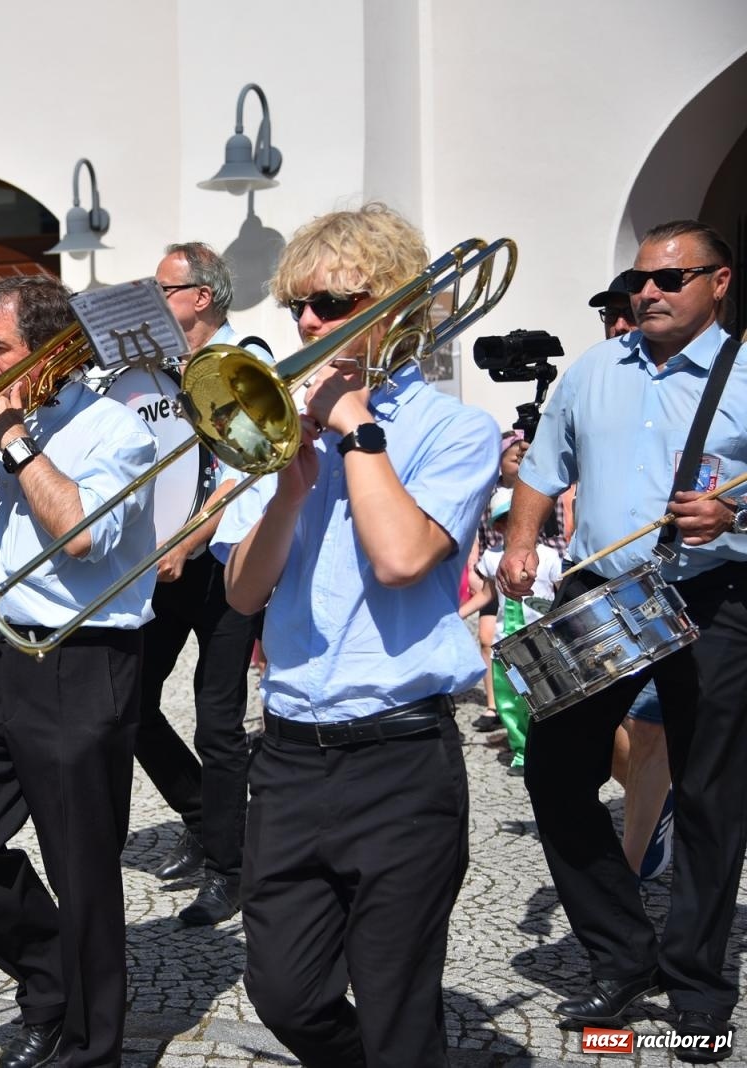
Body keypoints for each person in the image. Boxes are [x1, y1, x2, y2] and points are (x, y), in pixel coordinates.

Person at [224, 203, 498, 1067]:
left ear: (399, 311)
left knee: (395, 1001)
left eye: (331, 305)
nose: (307, 322)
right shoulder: (272, 429)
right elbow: (240, 596)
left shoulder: (456, 430)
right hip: (293, 756)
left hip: (400, 760)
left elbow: (404, 557)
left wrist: (358, 431)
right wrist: (291, 491)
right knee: (284, 992)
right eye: (298, 305)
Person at [501, 220, 742, 1059]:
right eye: (639, 280)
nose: (649, 292)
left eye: (672, 280)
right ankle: (622, 952)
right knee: (555, 770)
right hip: (605, 593)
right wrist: (524, 541)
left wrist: (734, 514)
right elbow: (542, 466)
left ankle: (699, 983)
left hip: (717, 598)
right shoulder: (594, 371)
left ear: (719, 283)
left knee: (711, 796)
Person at [0, 274, 157, 1068]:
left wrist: (16, 442)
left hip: (79, 661)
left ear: (51, 351)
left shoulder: (112, 432)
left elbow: (81, 535)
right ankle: (50, 980)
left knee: (80, 865)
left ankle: (92, 1047)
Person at [130, 242, 269, 930]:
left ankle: (230, 870)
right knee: (128, 699)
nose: (153, 299)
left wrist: (189, 541)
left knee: (217, 718)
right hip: (169, 554)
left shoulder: (247, 360)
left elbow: (245, 470)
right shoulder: (158, 372)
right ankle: (204, 817)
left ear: (201, 296)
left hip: (227, 559)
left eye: (163, 289)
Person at [590, 274, 674, 882]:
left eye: (626, 312)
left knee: (646, 727)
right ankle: (663, 793)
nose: (619, 323)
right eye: (609, 316)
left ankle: (634, 863)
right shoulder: (597, 377)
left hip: (671, 586)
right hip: (593, 583)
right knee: (583, 726)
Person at [470, 488, 562, 774]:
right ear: (496, 526)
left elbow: (559, 594)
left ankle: (548, 749)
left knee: (544, 696)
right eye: (504, 520)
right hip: (503, 642)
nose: (511, 526)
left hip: (539, 642)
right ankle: (521, 751)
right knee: (509, 699)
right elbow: (486, 595)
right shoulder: (490, 557)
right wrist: (458, 612)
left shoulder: (549, 556)